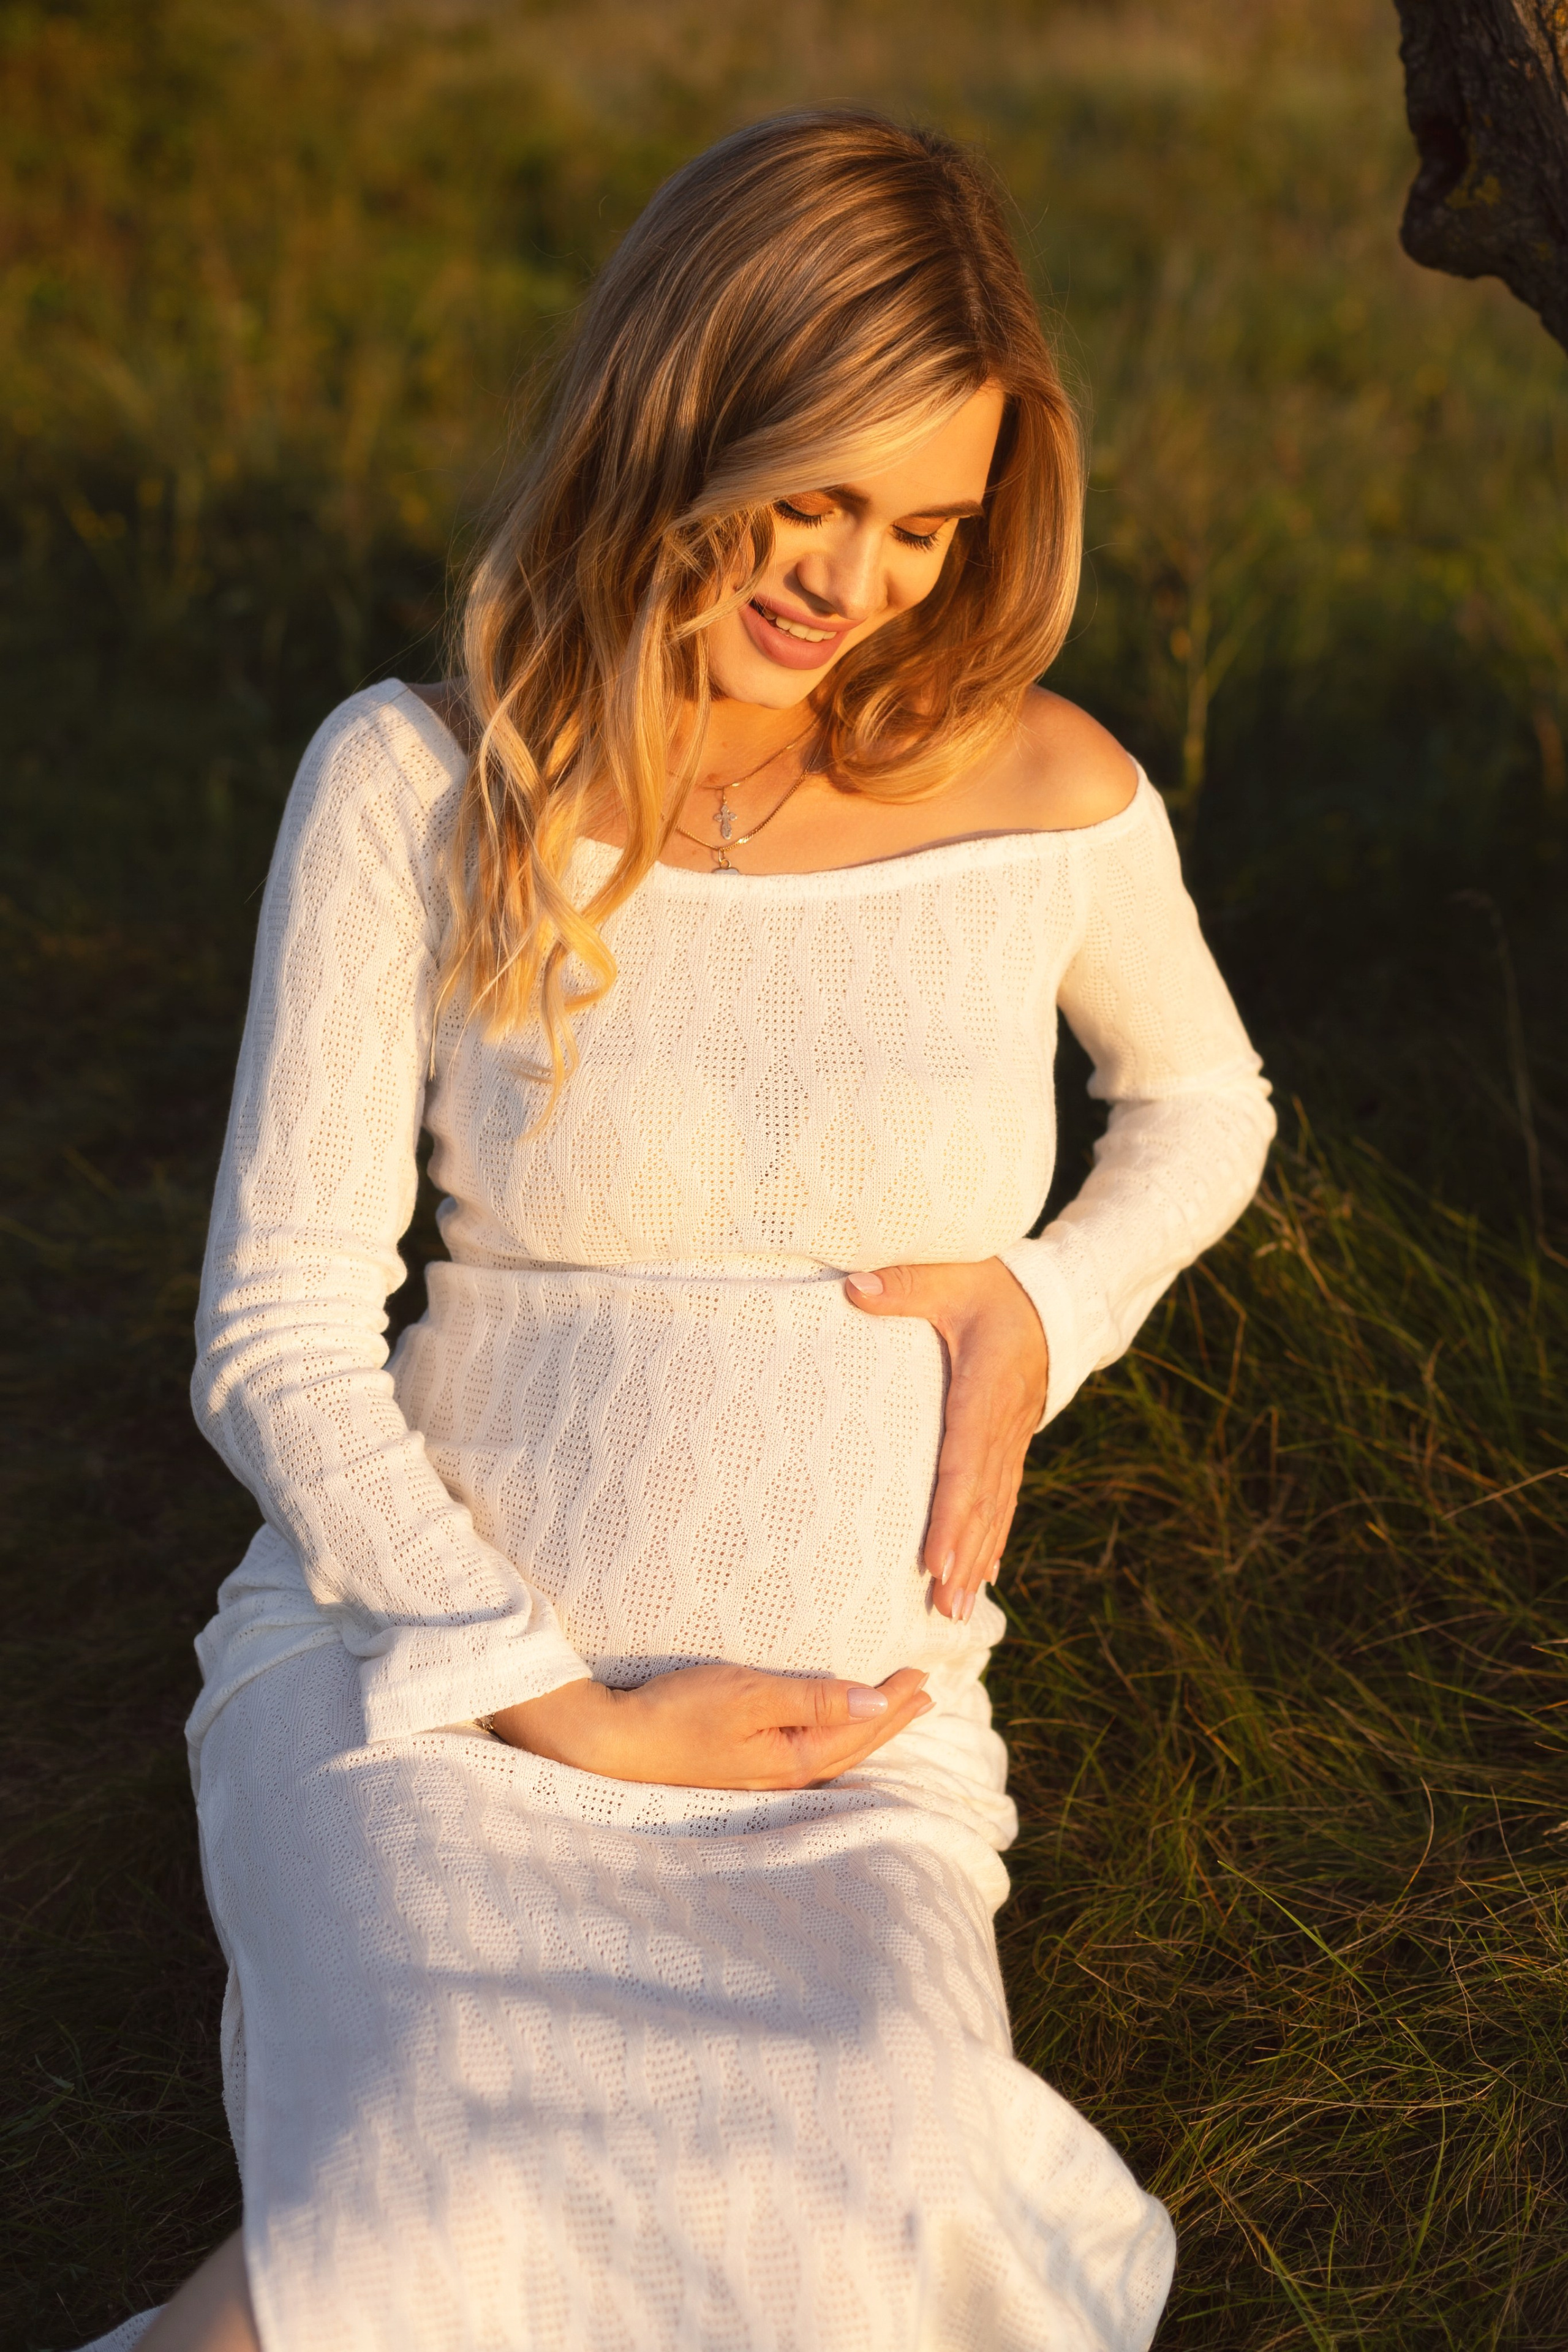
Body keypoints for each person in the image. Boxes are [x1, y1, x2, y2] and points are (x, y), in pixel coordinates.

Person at [83, 109, 1274, 2352]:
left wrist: (1050, 1301)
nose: (859, 581)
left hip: (851, 1733)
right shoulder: (424, 780)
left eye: (926, 524)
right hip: (424, 1692)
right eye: (812, 497)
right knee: (435, 2190)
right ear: (675, 420)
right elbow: (278, 1337)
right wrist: (537, 1694)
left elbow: (1204, 1100)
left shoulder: (1050, 795)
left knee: (890, 2185)